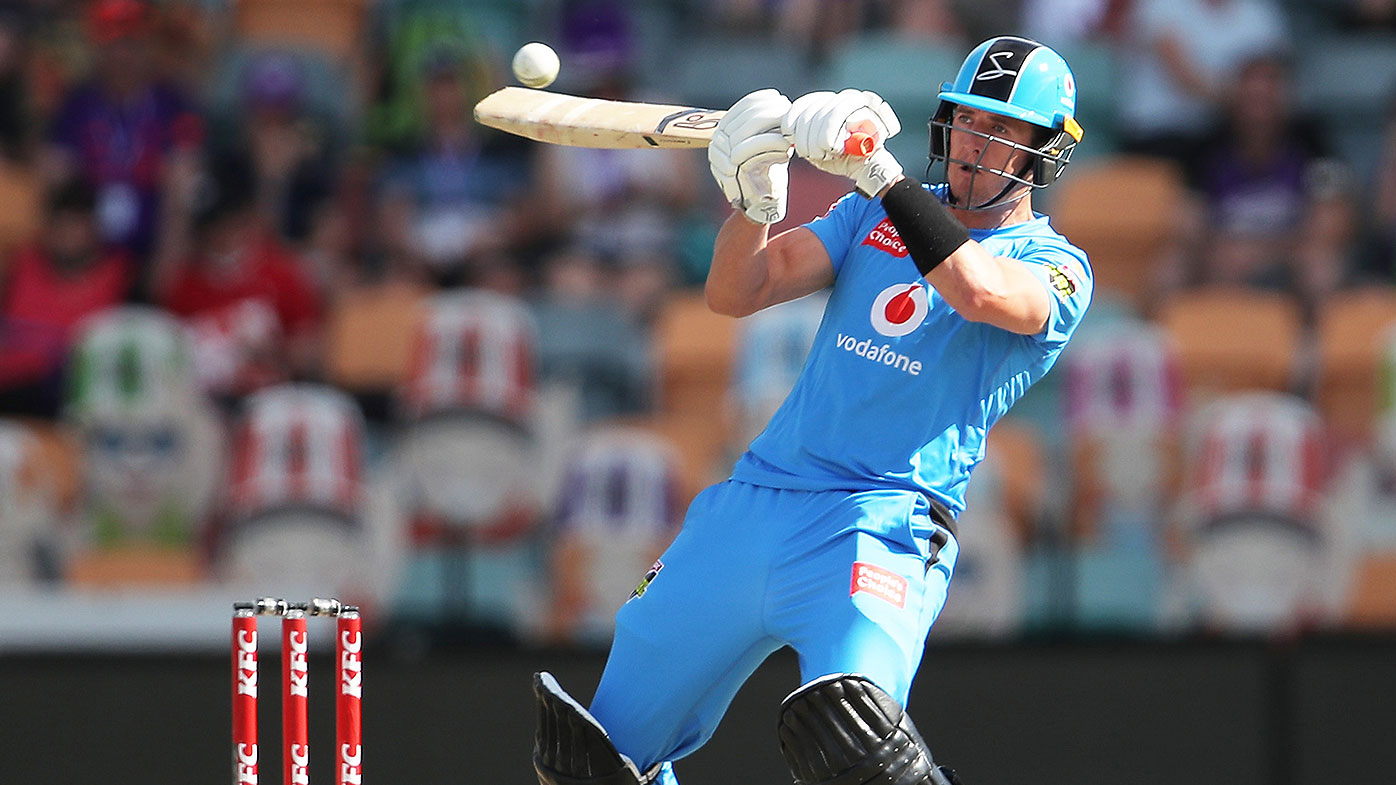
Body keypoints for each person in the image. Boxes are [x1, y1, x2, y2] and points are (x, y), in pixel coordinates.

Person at [530, 35, 1091, 785]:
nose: (972, 144)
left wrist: (883, 175)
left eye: (999, 132)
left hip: (879, 522)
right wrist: (752, 198)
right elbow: (738, 290)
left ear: (1039, 154)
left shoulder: (1055, 266)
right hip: (755, 502)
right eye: (965, 122)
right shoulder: (869, 215)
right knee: (592, 763)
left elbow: (979, 291)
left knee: (863, 753)